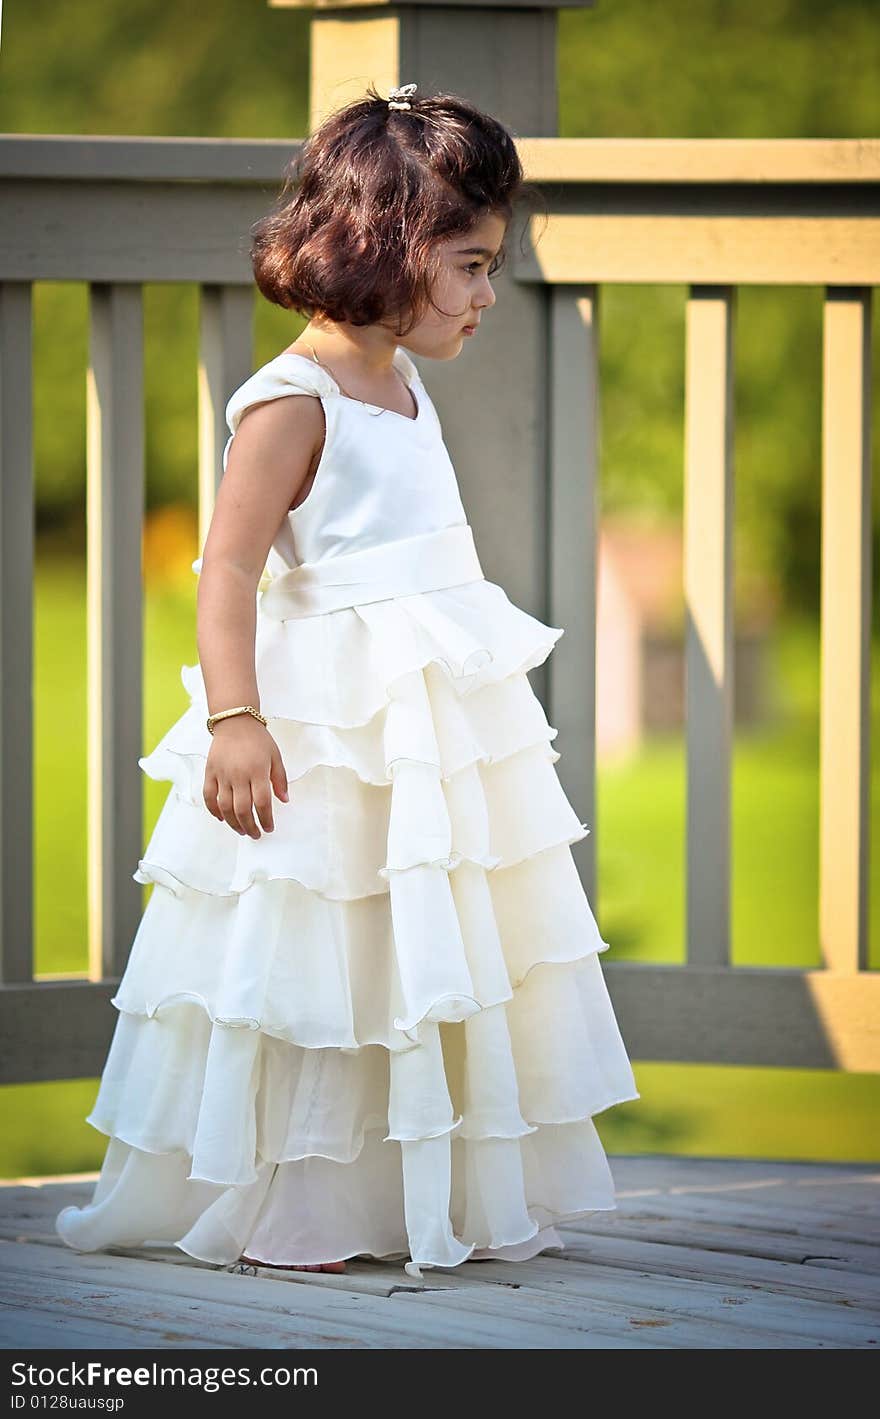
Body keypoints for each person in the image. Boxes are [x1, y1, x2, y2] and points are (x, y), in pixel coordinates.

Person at [55, 82, 639, 1281]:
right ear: (388, 246)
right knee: (321, 949)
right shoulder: (293, 399)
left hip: (423, 719)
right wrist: (233, 718)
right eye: (470, 266)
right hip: (334, 718)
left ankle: (398, 1188)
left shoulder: (402, 382)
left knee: (409, 945)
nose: (487, 297)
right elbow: (226, 569)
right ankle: (303, 1202)